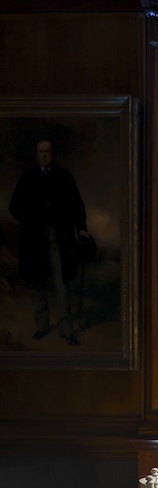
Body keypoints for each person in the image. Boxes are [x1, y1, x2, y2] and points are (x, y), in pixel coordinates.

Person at [8, 139, 90, 345]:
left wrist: (81, 228)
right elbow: (14, 208)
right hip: (35, 240)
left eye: (47, 151)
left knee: (62, 284)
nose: (44, 155)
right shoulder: (27, 179)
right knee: (38, 283)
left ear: (53, 154)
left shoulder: (65, 178)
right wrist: (33, 216)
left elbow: (77, 206)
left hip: (60, 239)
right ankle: (42, 326)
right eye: (40, 151)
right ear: (37, 154)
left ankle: (66, 330)